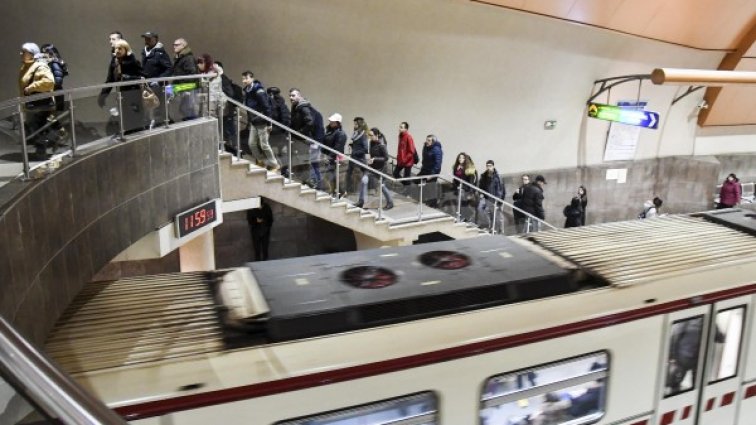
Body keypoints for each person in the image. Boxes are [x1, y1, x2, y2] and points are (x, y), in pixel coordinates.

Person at [98, 39, 143, 135]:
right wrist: (103, 95)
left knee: (134, 120)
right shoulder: (114, 63)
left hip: (133, 94)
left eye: (120, 48)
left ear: (126, 50)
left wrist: (127, 78)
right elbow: (110, 80)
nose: (117, 51)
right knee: (124, 119)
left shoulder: (133, 61)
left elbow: (143, 77)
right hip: (121, 95)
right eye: (115, 49)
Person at [19, 42, 55, 160]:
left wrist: (32, 87)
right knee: (35, 127)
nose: (21, 54)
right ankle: (43, 147)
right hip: (31, 104)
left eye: (23, 52)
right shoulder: (26, 66)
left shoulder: (39, 66)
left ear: (31, 53)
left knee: (38, 127)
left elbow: (49, 81)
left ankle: (42, 150)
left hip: (40, 104)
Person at [243, 72, 278, 171]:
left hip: (262, 121)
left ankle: (275, 164)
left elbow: (267, 108)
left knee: (264, 145)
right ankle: (261, 161)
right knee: (252, 144)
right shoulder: (247, 91)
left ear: (252, 78)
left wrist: (269, 123)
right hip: (254, 121)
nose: (244, 81)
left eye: (246, 78)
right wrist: (250, 121)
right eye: (243, 79)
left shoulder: (259, 91)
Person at [140, 31, 172, 126]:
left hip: (158, 86)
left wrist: (158, 80)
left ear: (155, 39)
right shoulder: (145, 52)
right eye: (145, 38)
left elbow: (169, 68)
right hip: (148, 85)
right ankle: (152, 123)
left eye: (149, 39)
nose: (146, 41)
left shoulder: (161, 53)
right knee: (149, 107)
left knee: (158, 107)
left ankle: (162, 125)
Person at [357, 128, 394, 210]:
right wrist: (369, 159)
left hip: (381, 169)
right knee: (364, 180)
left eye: (371, 135)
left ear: (376, 135)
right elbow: (371, 154)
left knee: (382, 186)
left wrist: (375, 159)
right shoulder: (371, 142)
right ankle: (361, 202)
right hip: (372, 168)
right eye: (369, 135)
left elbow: (386, 158)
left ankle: (390, 202)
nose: (369, 137)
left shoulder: (382, 145)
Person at [171, 38, 198, 120]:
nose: (174, 47)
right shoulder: (179, 58)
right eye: (174, 45)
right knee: (167, 92)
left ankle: (191, 121)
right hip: (182, 85)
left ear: (183, 46)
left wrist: (185, 88)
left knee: (187, 108)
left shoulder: (188, 58)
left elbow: (192, 74)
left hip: (187, 86)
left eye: (177, 45)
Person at [322, 113, 347, 196]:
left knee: (331, 177)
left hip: (336, 159)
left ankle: (340, 192)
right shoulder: (329, 131)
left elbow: (337, 148)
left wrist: (329, 157)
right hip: (329, 157)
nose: (330, 123)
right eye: (330, 121)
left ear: (337, 123)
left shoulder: (341, 134)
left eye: (332, 121)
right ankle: (336, 192)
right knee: (331, 177)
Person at [477, 160, 505, 233]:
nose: (488, 167)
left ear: (493, 166)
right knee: (480, 208)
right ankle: (486, 224)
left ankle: (495, 229)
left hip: (493, 198)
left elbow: (500, 190)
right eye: (487, 166)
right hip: (485, 197)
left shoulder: (497, 177)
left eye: (490, 166)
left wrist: (498, 200)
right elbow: (480, 186)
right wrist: (480, 193)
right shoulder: (484, 175)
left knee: (493, 214)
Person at [345, 117, 369, 196]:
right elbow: (358, 144)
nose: (354, 125)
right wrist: (352, 145)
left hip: (360, 159)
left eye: (355, 124)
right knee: (349, 174)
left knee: (359, 176)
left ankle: (359, 193)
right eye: (354, 124)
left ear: (359, 125)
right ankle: (348, 191)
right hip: (353, 158)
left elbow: (366, 149)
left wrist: (355, 152)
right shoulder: (356, 133)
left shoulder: (363, 135)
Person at [267, 86, 291, 164]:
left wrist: (276, 129)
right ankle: (284, 170)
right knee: (281, 152)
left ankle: (281, 169)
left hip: (277, 133)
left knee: (277, 151)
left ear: (271, 94)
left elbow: (284, 119)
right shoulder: (282, 104)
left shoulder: (275, 104)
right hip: (281, 133)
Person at [452, 152, 478, 221]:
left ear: (465, 159)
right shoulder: (456, 167)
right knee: (460, 203)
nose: (461, 159)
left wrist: (470, 192)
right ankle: (464, 216)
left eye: (463, 158)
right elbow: (455, 179)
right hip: (458, 188)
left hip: (465, 189)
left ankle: (462, 217)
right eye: (459, 157)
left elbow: (471, 181)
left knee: (462, 203)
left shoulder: (468, 169)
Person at [393, 121, 416, 187]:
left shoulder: (409, 137)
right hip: (401, 160)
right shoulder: (400, 136)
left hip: (408, 161)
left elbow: (411, 151)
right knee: (395, 173)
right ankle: (406, 185)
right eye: (400, 127)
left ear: (406, 129)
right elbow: (400, 149)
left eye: (401, 127)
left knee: (406, 178)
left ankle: (408, 191)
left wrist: (404, 159)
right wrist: (398, 157)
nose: (400, 128)